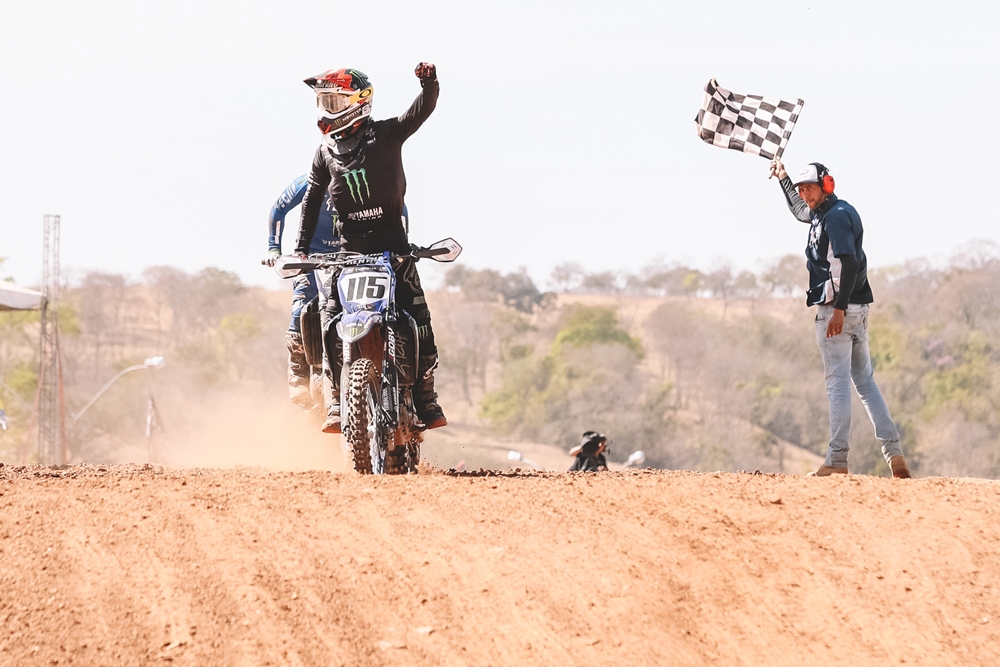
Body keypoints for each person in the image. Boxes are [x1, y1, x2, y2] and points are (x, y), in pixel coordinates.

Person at [295, 63, 447, 432]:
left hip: (395, 251)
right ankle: (335, 399)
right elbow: (312, 198)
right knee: (328, 318)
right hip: (349, 256)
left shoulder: (388, 133)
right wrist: (300, 250)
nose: (328, 108)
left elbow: (423, 108)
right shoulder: (324, 152)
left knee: (419, 319)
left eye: (335, 100)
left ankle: (426, 396)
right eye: (324, 101)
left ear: (359, 102)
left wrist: (428, 83)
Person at [770, 159, 911, 478]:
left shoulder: (835, 218)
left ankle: (837, 459)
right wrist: (783, 178)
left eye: (809, 188)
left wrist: (838, 309)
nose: (805, 194)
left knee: (837, 384)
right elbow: (800, 211)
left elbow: (848, 263)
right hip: (857, 311)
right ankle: (894, 454)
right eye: (802, 189)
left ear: (826, 186)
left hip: (839, 311)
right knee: (865, 381)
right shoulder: (825, 213)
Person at [265, 174, 340, 409]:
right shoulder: (307, 183)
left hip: (352, 255)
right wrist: (273, 248)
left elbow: (398, 207)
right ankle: (298, 372)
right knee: (300, 308)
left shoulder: (365, 175)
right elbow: (278, 209)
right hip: (309, 257)